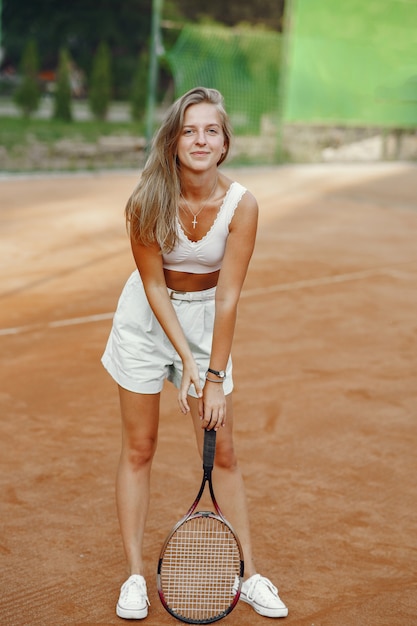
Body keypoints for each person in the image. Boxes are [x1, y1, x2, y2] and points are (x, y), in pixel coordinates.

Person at [101, 86, 288, 620]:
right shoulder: (146, 198)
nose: (200, 139)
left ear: (225, 142)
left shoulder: (242, 206)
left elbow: (228, 295)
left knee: (222, 451)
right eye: (189, 130)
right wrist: (184, 360)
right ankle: (136, 576)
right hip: (144, 321)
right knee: (139, 448)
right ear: (174, 140)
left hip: (208, 322)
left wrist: (210, 374)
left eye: (211, 130)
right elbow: (154, 286)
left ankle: (248, 574)